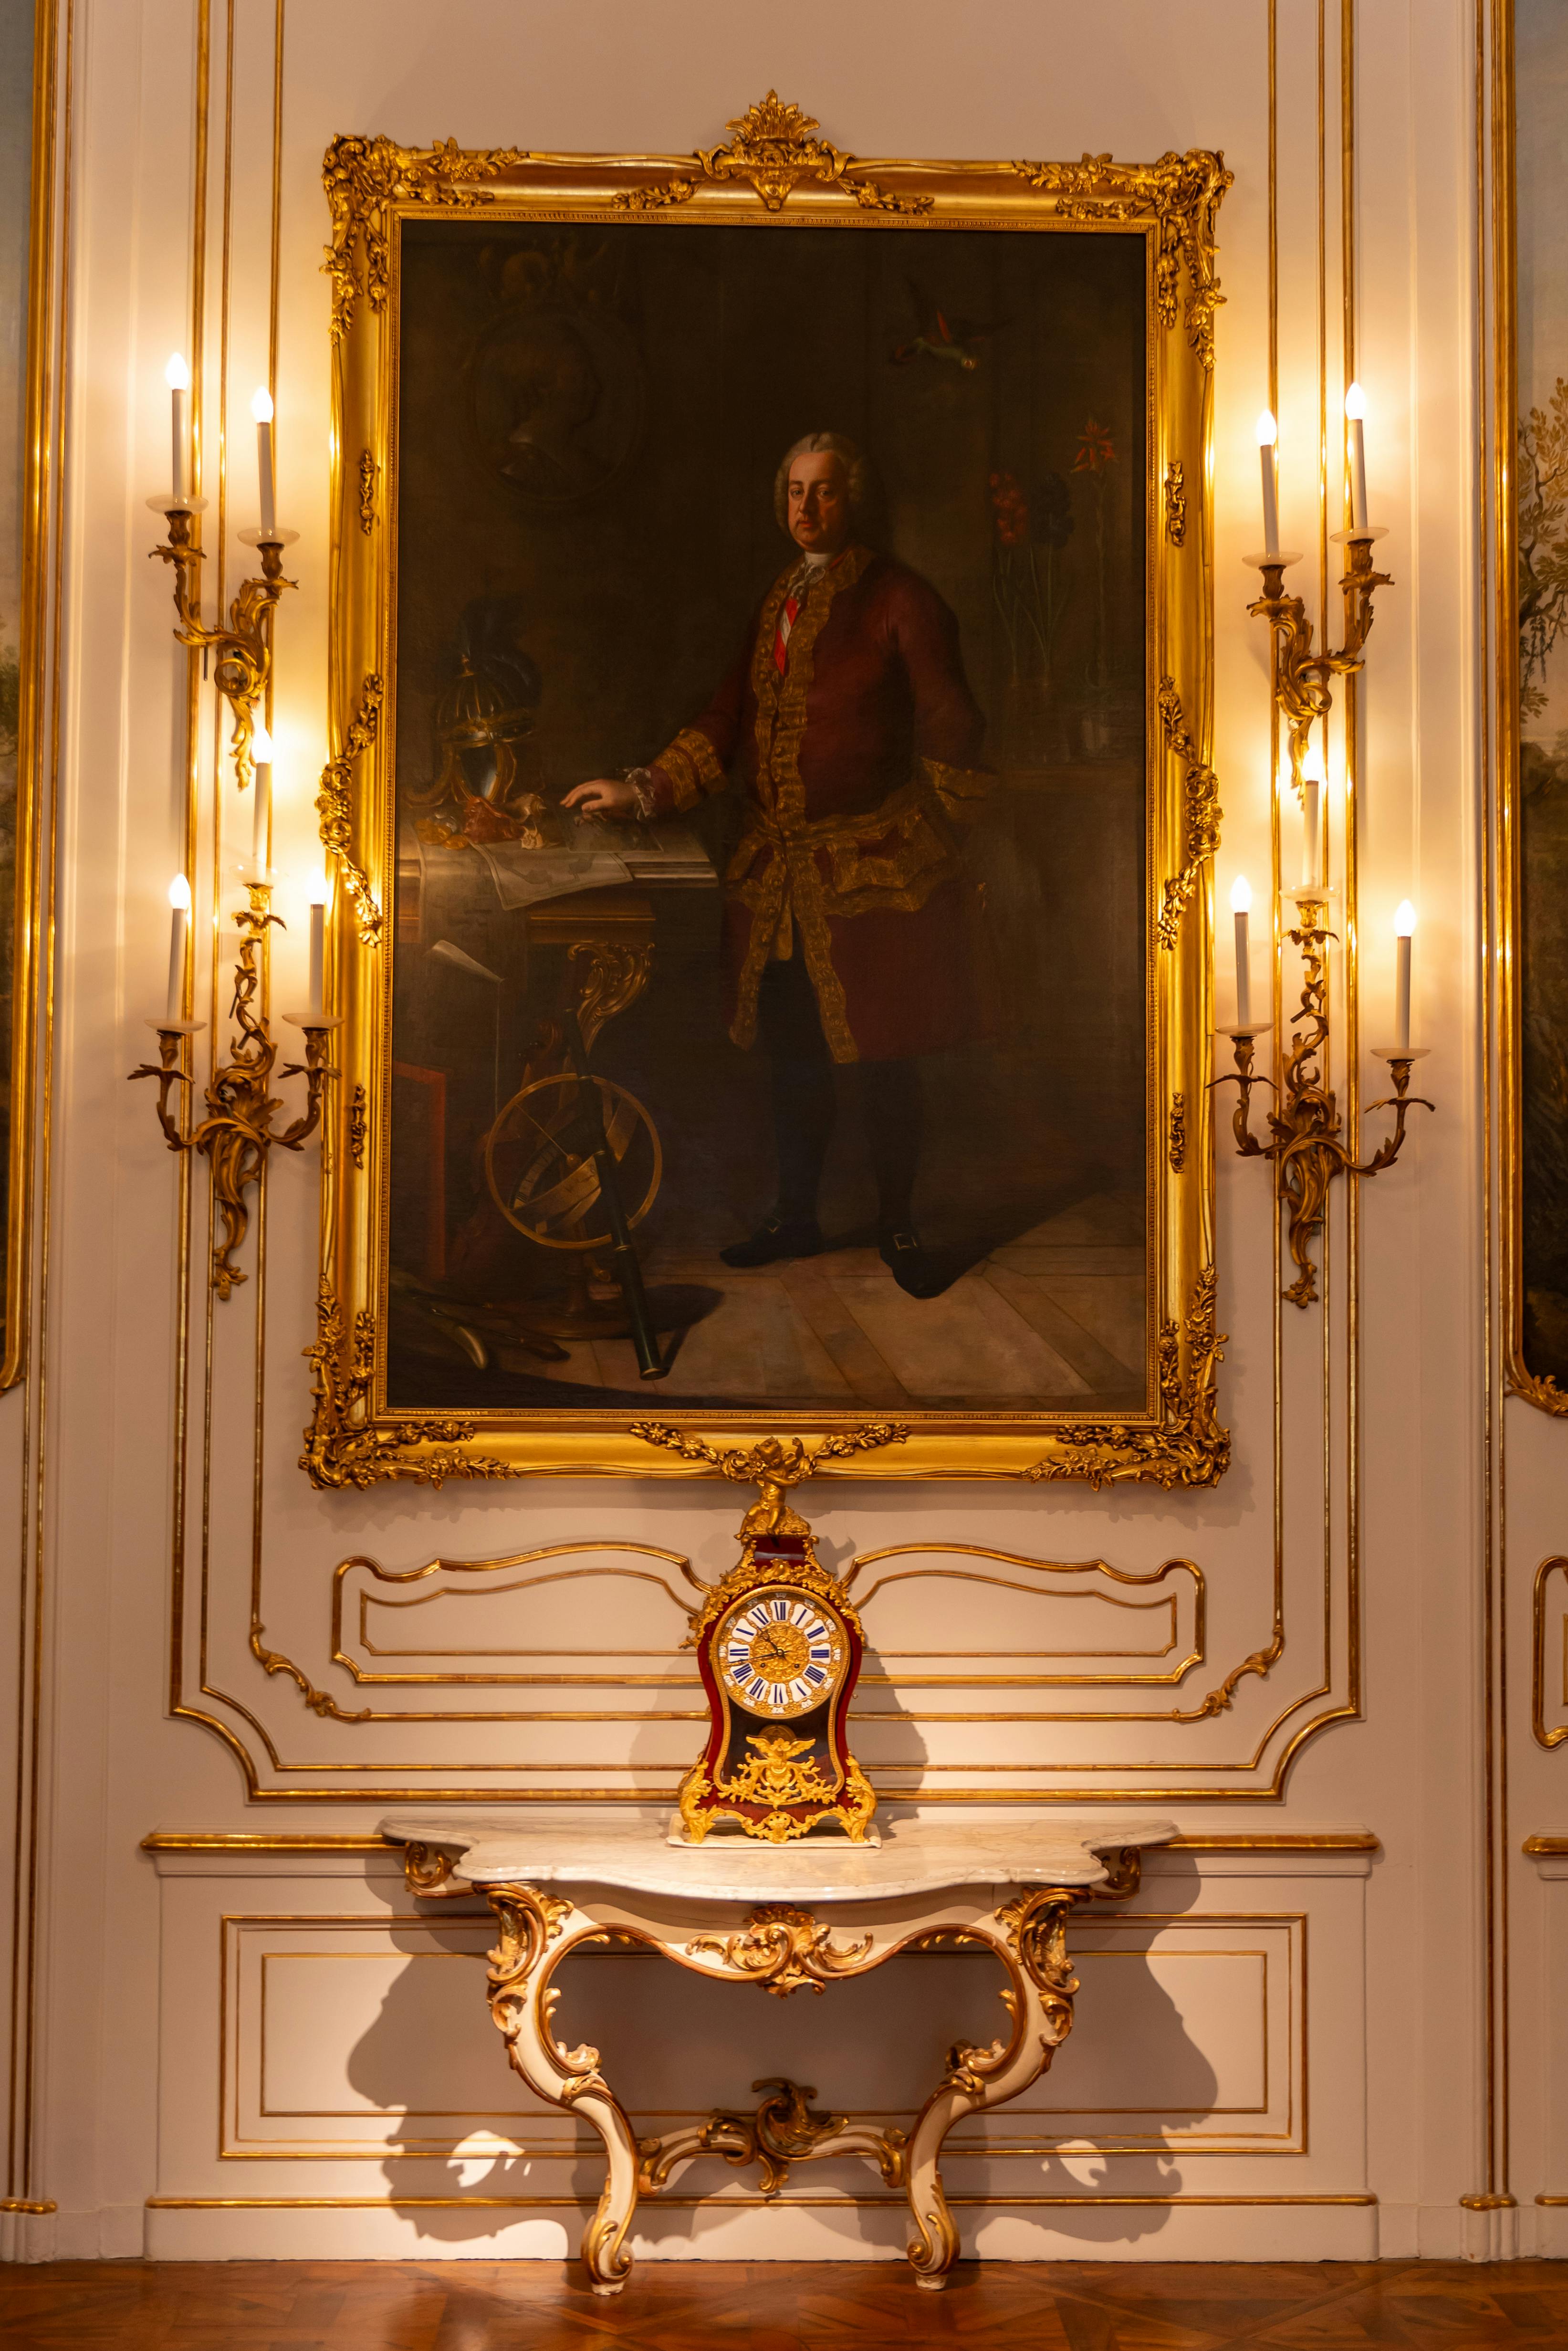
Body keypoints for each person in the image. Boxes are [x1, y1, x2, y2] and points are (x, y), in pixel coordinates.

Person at [565, 431, 992, 1298]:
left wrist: (949, 840)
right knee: (794, 1055)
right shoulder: (777, 602)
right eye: (794, 490)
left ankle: (898, 1224)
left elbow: (952, 720)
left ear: (852, 500)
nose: (806, 507)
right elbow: (726, 719)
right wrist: (638, 788)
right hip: (776, 879)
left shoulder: (899, 596)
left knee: (884, 1058)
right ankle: (797, 1215)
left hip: (871, 873)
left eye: (824, 491)